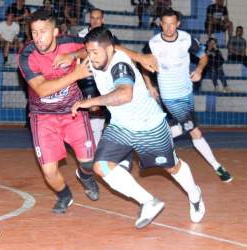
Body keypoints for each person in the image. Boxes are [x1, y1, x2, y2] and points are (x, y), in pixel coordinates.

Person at [72, 27, 206, 228]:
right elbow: (89, 51)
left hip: (148, 126)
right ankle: (148, 201)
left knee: (171, 166)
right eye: (89, 52)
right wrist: (70, 56)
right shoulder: (97, 56)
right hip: (121, 126)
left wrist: (90, 102)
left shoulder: (120, 65)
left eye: (94, 53)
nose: (91, 57)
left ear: (110, 50)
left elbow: (125, 94)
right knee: (101, 166)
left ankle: (195, 194)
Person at [17, 9, 100, 214]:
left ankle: (85, 175)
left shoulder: (69, 42)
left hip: (73, 111)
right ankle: (65, 195)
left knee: (89, 162)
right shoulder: (27, 55)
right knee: (49, 172)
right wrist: (76, 75)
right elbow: (42, 89)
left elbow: (92, 49)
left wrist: (73, 55)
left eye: (43, 32)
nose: (38, 38)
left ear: (55, 32)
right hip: (43, 117)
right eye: (34, 32)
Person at [143, 8, 233, 182]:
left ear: (178, 24)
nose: (169, 28)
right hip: (169, 95)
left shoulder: (186, 39)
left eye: (172, 24)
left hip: (187, 91)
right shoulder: (153, 43)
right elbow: (142, 64)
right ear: (160, 24)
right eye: (165, 24)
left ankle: (154, 139)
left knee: (185, 126)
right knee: (194, 130)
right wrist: (149, 86)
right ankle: (218, 167)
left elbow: (203, 57)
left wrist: (199, 70)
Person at [77, 8, 120, 145]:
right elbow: (77, 55)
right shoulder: (81, 35)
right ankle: (91, 138)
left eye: (98, 18)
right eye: (93, 18)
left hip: (104, 76)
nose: (95, 21)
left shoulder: (109, 36)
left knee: (100, 107)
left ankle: (96, 137)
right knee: (91, 107)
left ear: (103, 20)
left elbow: (116, 54)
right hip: (87, 77)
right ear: (89, 19)